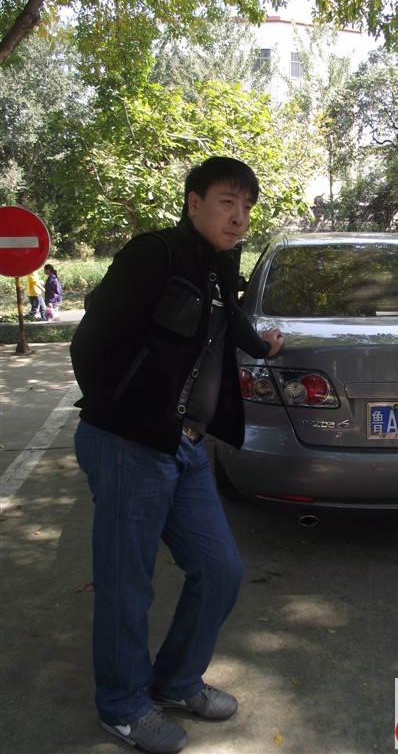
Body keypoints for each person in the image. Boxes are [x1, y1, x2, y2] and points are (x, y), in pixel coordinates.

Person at [70, 157, 284, 754]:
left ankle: (175, 681)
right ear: (193, 203)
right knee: (126, 584)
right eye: (226, 202)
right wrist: (120, 415)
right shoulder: (155, 253)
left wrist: (263, 344)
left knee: (220, 570)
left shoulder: (214, 268)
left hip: (185, 446)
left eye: (246, 207)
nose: (238, 217)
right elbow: (89, 340)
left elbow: (228, 319)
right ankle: (121, 706)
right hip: (129, 443)